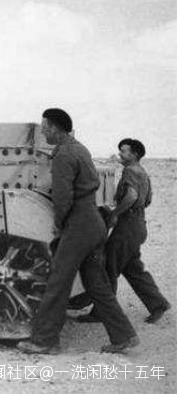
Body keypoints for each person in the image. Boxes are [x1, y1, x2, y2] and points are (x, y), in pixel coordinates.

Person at [17, 109, 138, 354]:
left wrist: (60, 224)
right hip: (94, 222)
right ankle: (124, 335)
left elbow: (63, 197)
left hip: (79, 224)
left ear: (55, 128)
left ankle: (45, 340)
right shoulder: (80, 148)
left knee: (58, 281)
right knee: (96, 283)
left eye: (45, 127)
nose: (43, 131)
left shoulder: (63, 154)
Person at [75, 139, 171, 324]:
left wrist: (115, 213)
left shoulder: (130, 171)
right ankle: (158, 304)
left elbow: (132, 196)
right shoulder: (143, 172)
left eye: (124, 151)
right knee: (133, 269)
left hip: (127, 228)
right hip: (138, 225)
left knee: (108, 268)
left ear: (135, 154)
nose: (120, 154)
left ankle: (102, 312)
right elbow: (147, 199)